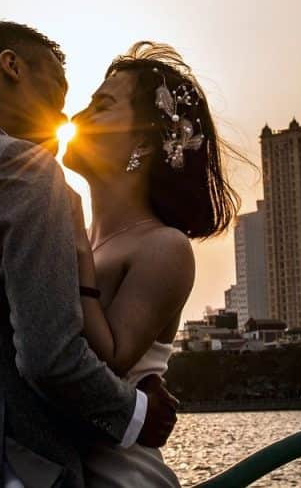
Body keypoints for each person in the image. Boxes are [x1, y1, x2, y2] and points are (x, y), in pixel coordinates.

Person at [0, 22, 179, 487]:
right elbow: (49, 357)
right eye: (58, 86)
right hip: (10, 467)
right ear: (11, 65)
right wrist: (138, 413)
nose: (65, 110)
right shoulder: (25, 170)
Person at [63, 42, 239, 486]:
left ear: (143, 138)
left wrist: (77, 251)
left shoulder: (163, 246)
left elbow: (110, 362)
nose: (76, 118)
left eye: (101, 106)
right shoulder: (75, 238)